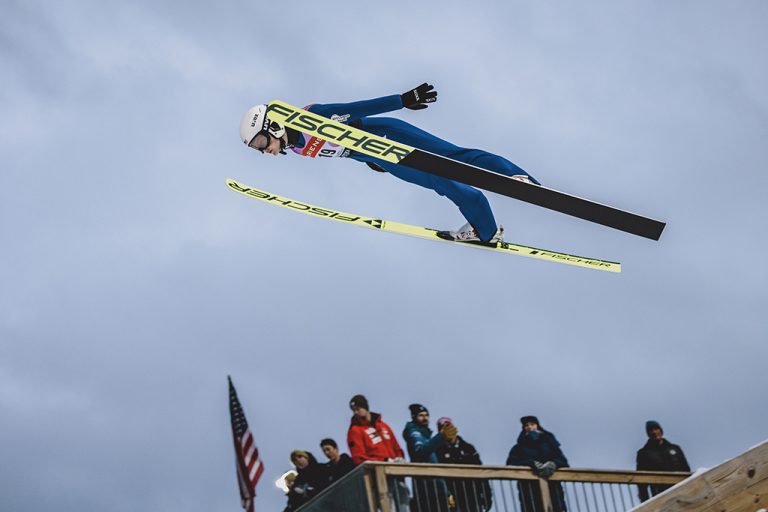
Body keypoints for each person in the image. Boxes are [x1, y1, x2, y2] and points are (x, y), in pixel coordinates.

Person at [239, 83, 541, 244]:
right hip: (383, 156)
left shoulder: (311, 117)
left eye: (262, 143)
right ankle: (485, 230)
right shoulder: (298, 149)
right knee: (442, 182)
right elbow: (345, 149)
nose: (266, 151)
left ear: (273, 126)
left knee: (453, 159)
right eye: (259, 150)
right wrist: (371, 162)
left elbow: (356, 109)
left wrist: (403, 99)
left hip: (388, 134)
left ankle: (517, 177)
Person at [346, 395, 410, 510]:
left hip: (396, 474)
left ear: (365, 407)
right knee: (388, 505)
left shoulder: (383, 425)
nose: (356, 412)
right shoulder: (355, 430)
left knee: (403, 500)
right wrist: (384, 461)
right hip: (379, 476)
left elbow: (396, 446)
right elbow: (359, 458)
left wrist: (399, 457)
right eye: (354, 410)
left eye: (358, 408)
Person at [506, 416, 569, 512]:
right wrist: (530, 463)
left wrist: (553, 464)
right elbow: (511, 464)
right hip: (529, 489)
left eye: (532, 424)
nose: (529, 427)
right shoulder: (519, 447)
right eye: (526, 425)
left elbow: (564, 462)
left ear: (538, 426)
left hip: (553, 488)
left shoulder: (550, 443)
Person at [403, 404, 457, 512]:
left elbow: (437, 470)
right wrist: (441, 437)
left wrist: (447, 492)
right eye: (421, 415)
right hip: (426, 491)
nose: (425, 418)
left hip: (437, 491)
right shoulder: (414, 433)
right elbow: (420, 451)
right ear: (414, 417)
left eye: (427, 415)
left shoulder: (426, 436)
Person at [435, 416, 493, 512]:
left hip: (472, 495)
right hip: (453, 497)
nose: (448, 431)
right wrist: (445, 494)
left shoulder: (468, 448)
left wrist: (487, 495)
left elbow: (481, 471)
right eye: (444, 429)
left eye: (450, 427)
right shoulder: (438, 451)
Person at [636, 420, 691, 502]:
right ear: (648, 434)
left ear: (661, 430)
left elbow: (687, 470)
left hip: (681, 490)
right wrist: (645, 501)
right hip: (660, 494)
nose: (654, 432)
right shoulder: (643, 453)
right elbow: (641, 481)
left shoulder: (675, 448)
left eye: (656, 429)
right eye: (651, 430)